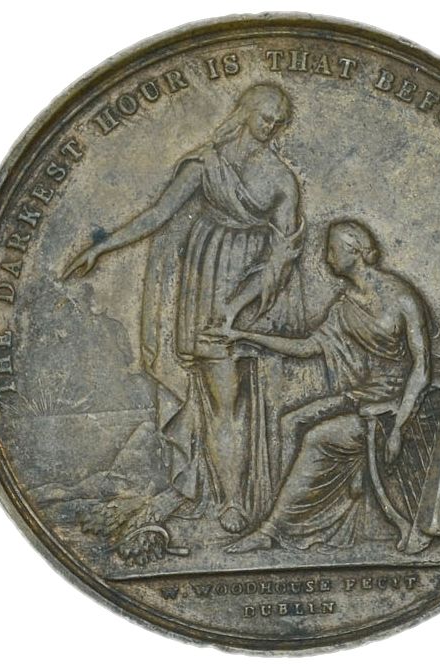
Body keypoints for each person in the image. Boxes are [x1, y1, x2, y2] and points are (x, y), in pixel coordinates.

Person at [64, 84, 306, 537]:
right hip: (202, 281)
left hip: (253, 288)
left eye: (279, 121)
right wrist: (102, 247)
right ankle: (211, 489)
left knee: (234, 397)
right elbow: (158, 214)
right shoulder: (206, 164)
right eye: (266, 116)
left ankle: (238, 499)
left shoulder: (281, 180)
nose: (271, 126)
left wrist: (239, 303)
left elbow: (283, 253)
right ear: (245, 112)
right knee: (215, 397)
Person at [204, 220, 440, 554]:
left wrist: (399, 426)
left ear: (355, 252)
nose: (326, 257)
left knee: (317, 437)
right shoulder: (345, 307)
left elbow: (422, 367)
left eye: (332, 249)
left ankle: (271, 530)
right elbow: (308, 346)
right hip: (368, 395)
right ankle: (281, 520)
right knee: (291, 420)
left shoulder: (401, 297)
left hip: (405, 405)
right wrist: (245, 337)